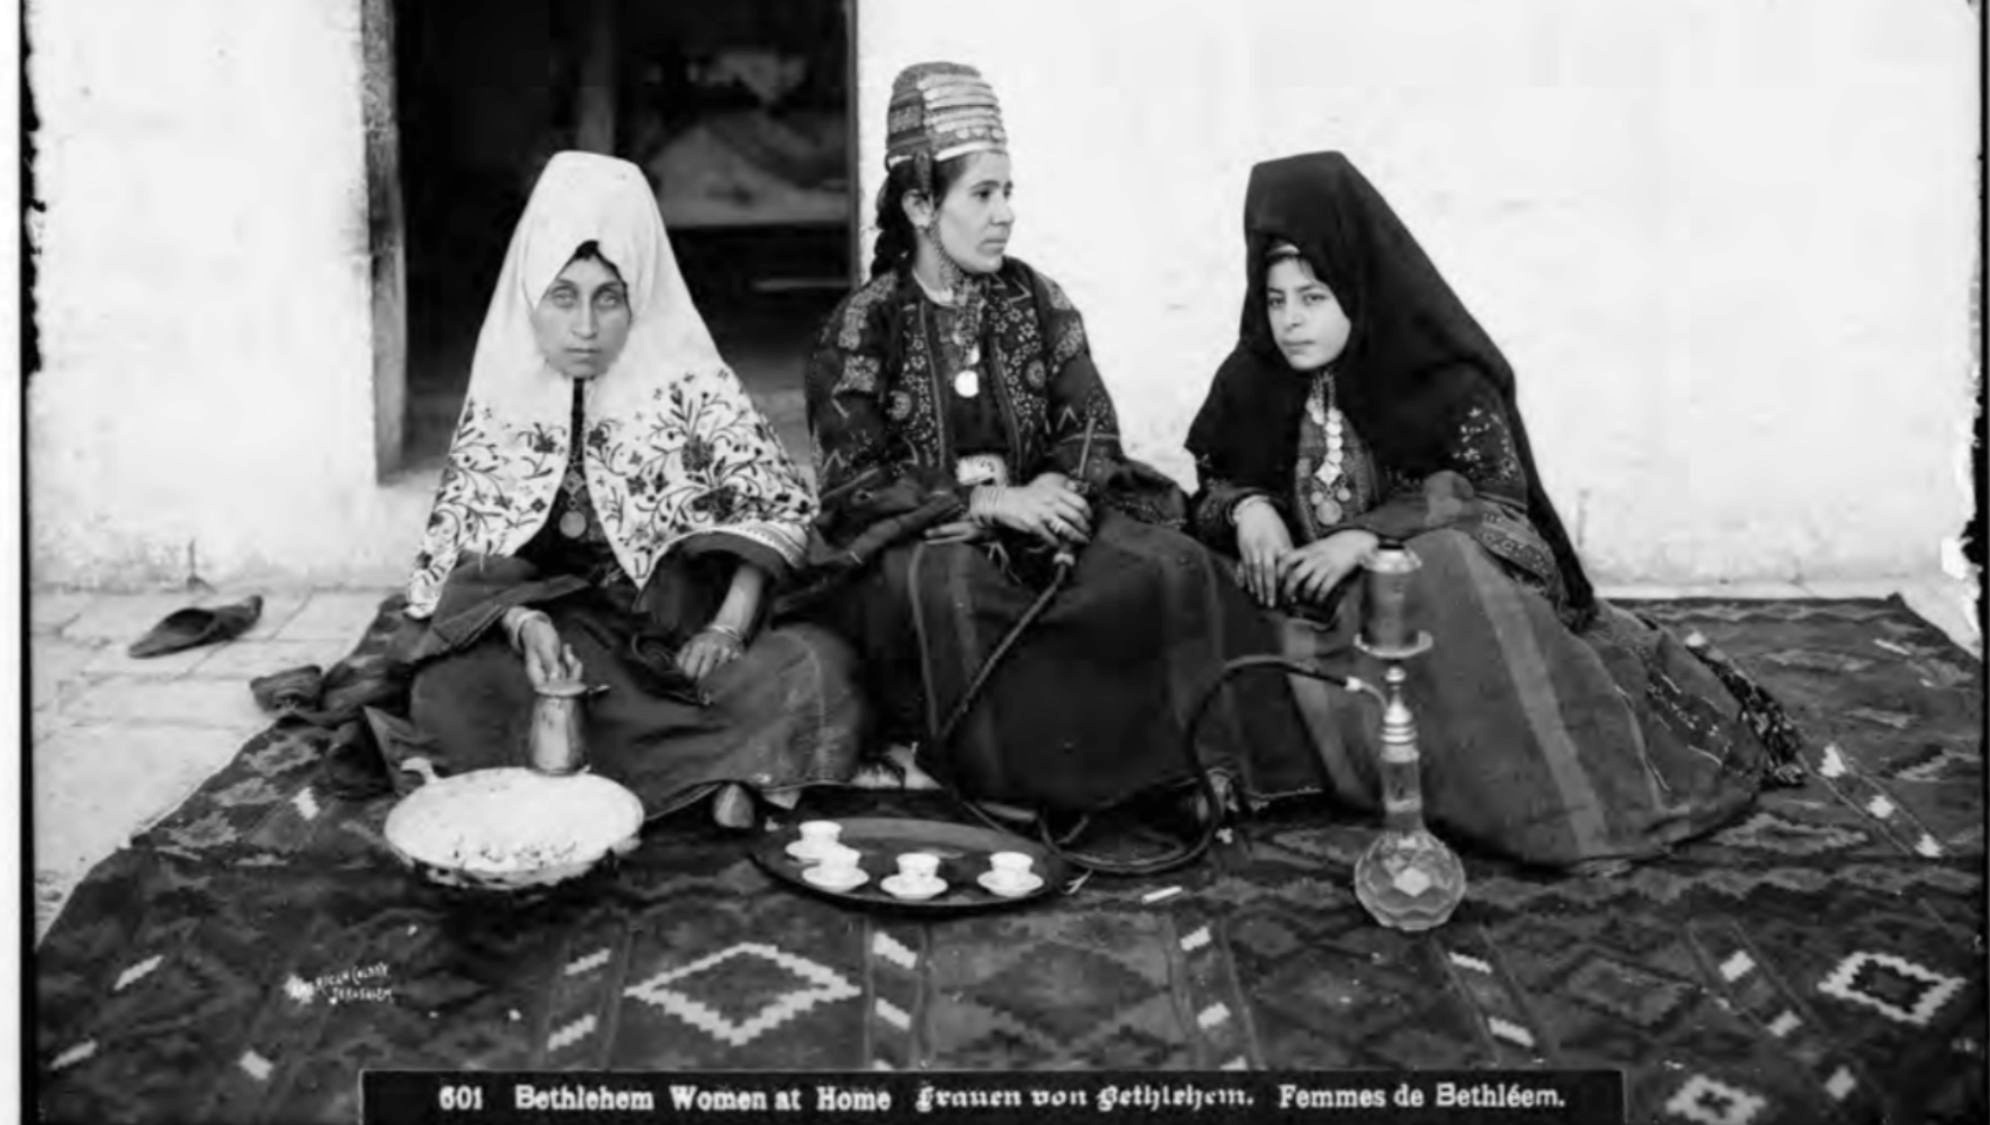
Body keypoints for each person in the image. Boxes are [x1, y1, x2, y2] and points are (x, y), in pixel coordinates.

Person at [1185, 151, 1804, 870]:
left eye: (1314, 296)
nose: (1290, 321)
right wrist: (1246, 508)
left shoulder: (1442, 375)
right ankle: (1295, 763)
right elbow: (1209, 485)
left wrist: (1365, 538)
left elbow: (1500, 505)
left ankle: (1562, 811)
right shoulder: (1250, 378)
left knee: (1440, 569)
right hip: (1311, 618)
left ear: (1357, 281)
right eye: (1276, 298)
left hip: (1420, 615)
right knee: (1190, 578)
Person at [795, 63, 1320, 825]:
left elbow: (1089, 425)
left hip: (1050, 517)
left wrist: (1058, 497)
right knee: (950, 593)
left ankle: (1193, 771)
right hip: (929, 542)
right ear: (918, 203)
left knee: (1173, 568)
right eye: (982, 194)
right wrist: (989, 503)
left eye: (1009, 192)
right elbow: (853, 484)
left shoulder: (1037, 300)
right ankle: (1010, 788)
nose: (1005, 214)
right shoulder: (862, 327)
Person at [400, 151, 867, 829]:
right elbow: (464, 560)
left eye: (608, 298)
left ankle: (642, 774)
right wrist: (525, 624)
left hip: (688, 646)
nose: (585, 328)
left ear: (640, 293)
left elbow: (779, 514)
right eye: (564, 297)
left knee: (814, 664)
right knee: (449, 690)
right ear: (531, 291)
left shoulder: (693, 385)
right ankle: (725, 775)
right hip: (573, 643)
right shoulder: (507, 398)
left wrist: (727, 626)